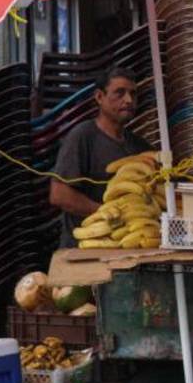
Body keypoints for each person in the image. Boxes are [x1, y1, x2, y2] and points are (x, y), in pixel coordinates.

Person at [50, 67, 153, 248]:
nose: (128, 100)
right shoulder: (82, 136)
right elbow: (59, 195)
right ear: (99, 97)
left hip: (125, 248)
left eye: (133, 94)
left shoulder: (140, 147)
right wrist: (106, 213)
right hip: (83, 250)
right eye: (119, 93)